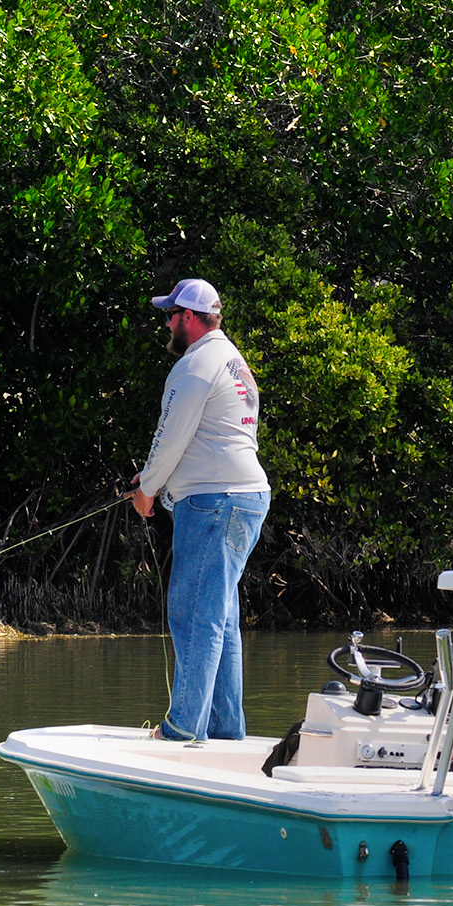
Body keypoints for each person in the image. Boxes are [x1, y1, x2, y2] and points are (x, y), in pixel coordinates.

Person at [130, 277, 271, 741]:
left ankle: (182, 728)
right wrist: (159, 479)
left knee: (193, 612)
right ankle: (226, 730)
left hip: (216, 504)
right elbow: (214, 436)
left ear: (188, 318)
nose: (167, 324)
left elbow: (170, 434)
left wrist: (148, 488)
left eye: (170, 315)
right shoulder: (233, 361)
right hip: (245, 498)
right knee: (221, 615)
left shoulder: (195, 365)